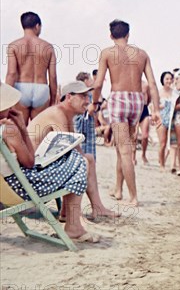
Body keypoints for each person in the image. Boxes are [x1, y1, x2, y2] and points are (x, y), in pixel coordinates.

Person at [0, 82, 98, 243]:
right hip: (23, 188)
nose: (11, 107)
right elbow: (29, 162)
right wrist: (22, 129)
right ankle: (73, 227)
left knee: (74, 160)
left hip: (6, 189)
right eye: (7, 104)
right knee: (80, 161)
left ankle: (69, 217)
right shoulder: (8, 129)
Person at [27, 81, 120, 221]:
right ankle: (68, 214)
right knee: (82, 161)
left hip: (39, 166)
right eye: (83, 96)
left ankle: (97, 207)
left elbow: (73, 148)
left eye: (88, 96)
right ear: (69, 97)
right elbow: (68, 152)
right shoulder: (57, 113)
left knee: (88, 158)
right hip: (33, 174)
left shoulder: (66, 115)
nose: (88, 101)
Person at [92, 19, 161, 206]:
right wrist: (156, 109)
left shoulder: (107, 53)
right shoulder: (142, 54)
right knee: (123, 148)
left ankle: (133, 196)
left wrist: (94, 103)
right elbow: (153, 84)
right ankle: (118, 189)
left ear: (111, 35)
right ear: (128, 34)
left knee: (124, 150)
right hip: (137, 100)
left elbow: (98, 83)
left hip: (118, 99)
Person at [5, 12, 57, 124]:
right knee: (39, 131)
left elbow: (12, 73)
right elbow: (52, 76)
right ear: (37, 26)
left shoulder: (14, 46)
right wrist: (53, 100)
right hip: (42, 90)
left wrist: (6, 99)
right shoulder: (48, 47)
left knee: (20, 129)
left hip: (20, 89)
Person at [74, 72, 97, 160]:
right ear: (86, 81)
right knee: (87, 149)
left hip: (80, 124)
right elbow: (90, 110)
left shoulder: (75, 94)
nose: (92, 81)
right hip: (86, 124)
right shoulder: (88, 94)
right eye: (90, 79)